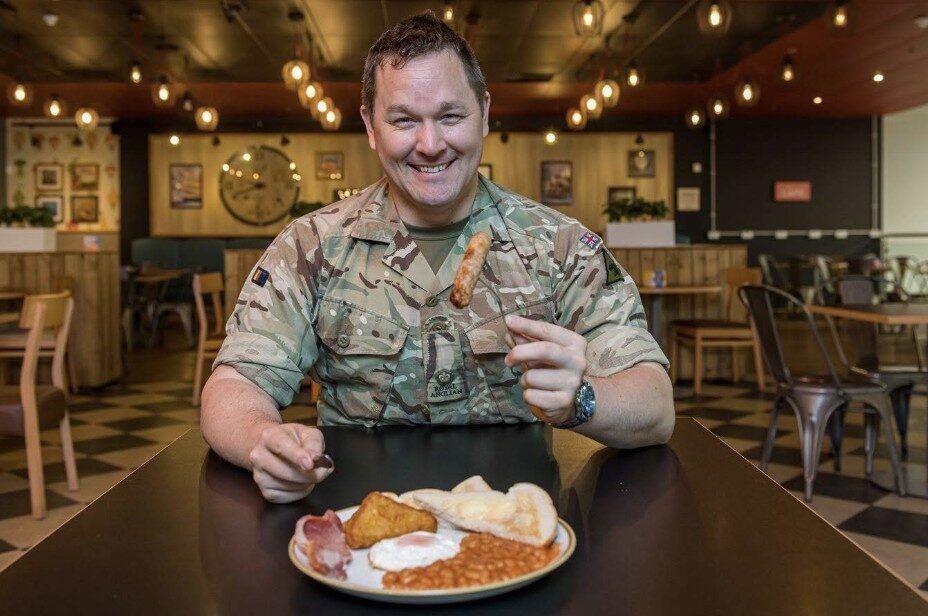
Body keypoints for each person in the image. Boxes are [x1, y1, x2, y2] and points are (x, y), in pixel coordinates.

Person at [200, 13, 674, 503]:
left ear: (485, 113)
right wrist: (264, 442)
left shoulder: (561, 246)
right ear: (369, 125)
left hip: (517, 533)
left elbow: (655, 405)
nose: (430, 145)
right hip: (361, 531)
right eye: (404, 120)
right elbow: (234, 383)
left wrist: (582, 399)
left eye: (451, 116)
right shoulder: (311, 245)